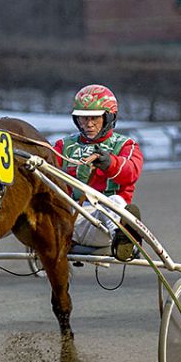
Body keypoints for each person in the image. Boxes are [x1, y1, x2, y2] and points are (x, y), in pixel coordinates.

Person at [54, 84, 144, 260]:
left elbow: (132, 172)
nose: (88, 124)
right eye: (82, 118)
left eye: (94, 118)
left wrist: (109, 163)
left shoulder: (126, 145)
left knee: (114, 201)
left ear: (109, 117)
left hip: (103, 223)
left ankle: (123, 239)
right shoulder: (63, 146)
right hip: (70, 220)